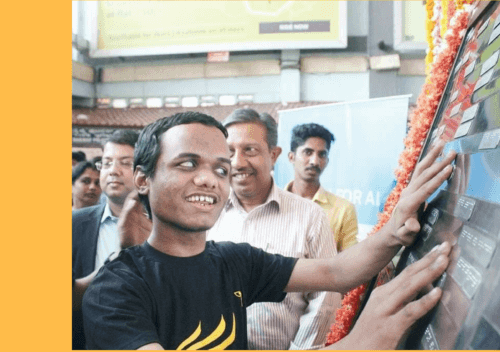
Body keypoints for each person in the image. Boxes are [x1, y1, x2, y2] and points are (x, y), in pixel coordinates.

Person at [80, 111, 456, 350]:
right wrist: (357, 344)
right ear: (143, 180)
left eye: (220, 168)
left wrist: (394, 230)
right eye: (188, 164)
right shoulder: (115, 288)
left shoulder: (232, 260)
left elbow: (335, 271)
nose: (209, 179)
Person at [204, 109, 339, 349]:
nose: (238, 162)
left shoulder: (310, 216)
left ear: (273, 154)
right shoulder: (206, 213)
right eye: (230, 152)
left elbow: (325, 299)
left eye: (250, 150)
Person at [72, 129, 146, 349]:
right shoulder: (72, 225)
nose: (113, 170)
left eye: (125, 163)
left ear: (144, 171)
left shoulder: (165, 225)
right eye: (106, 163)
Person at [286, 123, 359, 251]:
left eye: (322, 154)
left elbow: (350, 259)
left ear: (327, 161)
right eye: (308, 152)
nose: (315, 161)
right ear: (292, 157)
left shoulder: (343, 210)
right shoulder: (271, 202)